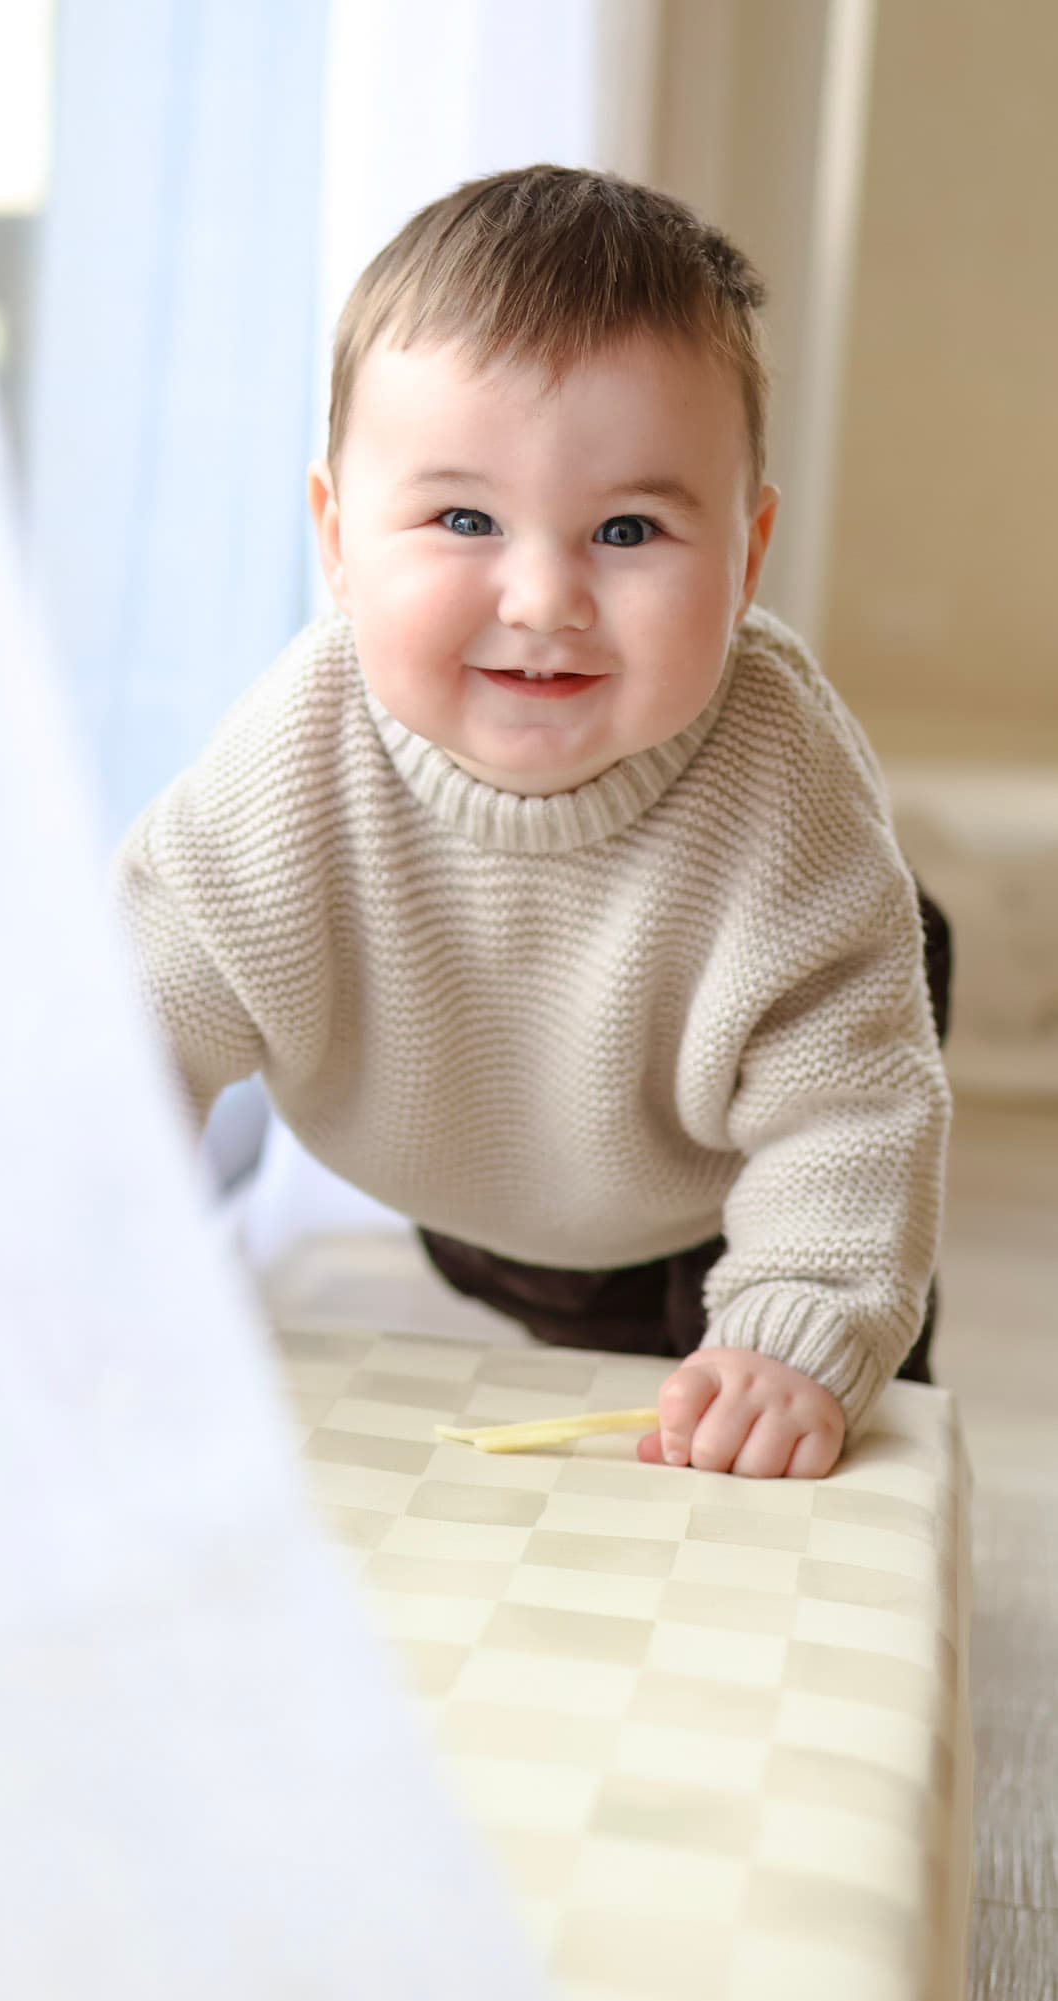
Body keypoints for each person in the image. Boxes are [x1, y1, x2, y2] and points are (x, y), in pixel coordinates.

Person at [114, 164, 952, 1481]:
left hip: (711, 1168)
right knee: (570, 1340)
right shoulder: (290, 761)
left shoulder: (782, 784)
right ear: (335, 541)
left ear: (745, 557)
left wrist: (801, 1335)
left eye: (627, 528)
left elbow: (846, 1107)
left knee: (779, 1419)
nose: (542, 594)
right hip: (484, 1146)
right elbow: (131, 1032)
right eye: (462, 519)